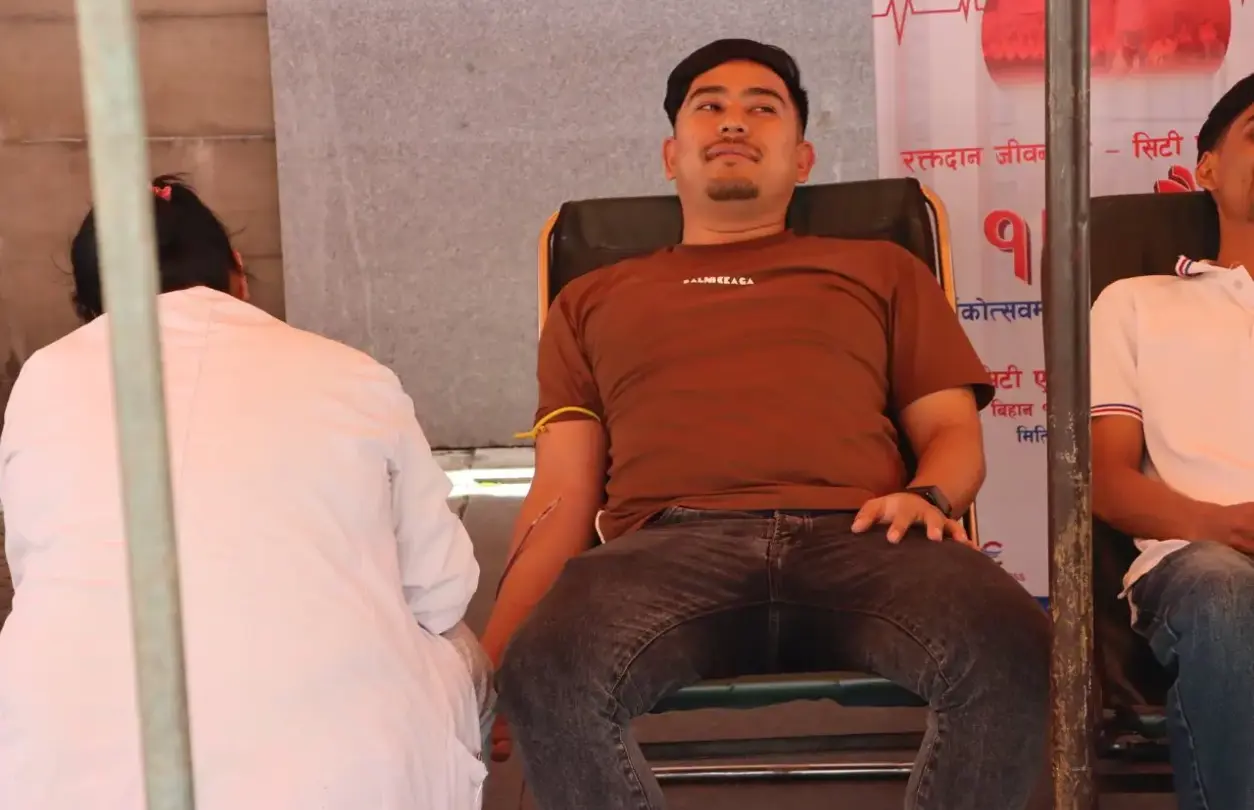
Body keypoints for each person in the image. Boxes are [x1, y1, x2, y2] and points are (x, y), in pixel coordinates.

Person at [485, 39, 1051, 810]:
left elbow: (952, 431)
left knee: (1013, 645)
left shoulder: (882, 271)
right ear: (671, 155)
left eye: (762, 108)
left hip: (866, 535)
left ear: (802, 158)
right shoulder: (590, 300)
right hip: (664, 551)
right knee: (545, 667)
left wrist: (930, 497)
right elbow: (561, 493)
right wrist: (494, 656)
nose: (733, 122)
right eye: (709, 107)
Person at [0, 176, 491, 810]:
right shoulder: (349, 372)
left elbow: (34, 574)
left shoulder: (42, 380)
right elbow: (442, 591)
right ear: (237, 273)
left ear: (90, 305)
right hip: (339, 783)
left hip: (54, 779)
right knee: (460, 653)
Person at [1091, 72, 1254, 810]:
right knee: (1223, 593)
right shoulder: (1136, 303)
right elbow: (1106, 481)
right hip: (1202, 558)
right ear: (1207, 170)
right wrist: (1224, 525)